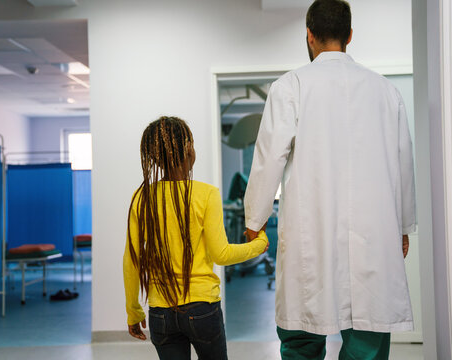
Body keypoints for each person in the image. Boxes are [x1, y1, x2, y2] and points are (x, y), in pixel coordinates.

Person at [243, 0, 416, 359]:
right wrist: (402, 225)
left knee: (302, 335)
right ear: (350, 35)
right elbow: (403, 164)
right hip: (373, 236)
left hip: (312, 236)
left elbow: (268, 158)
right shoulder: (386, 91)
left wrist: (254, 220)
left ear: (309, 35)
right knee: (367, 338)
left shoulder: (290, 87)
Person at [123, 116, 268, 360]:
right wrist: (259, 244)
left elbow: (132, 261)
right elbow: (221, 255)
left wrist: (133, 312)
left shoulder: (142, 197)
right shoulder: (206, 194)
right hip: (202, 309)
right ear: (189, 149)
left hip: (160, 312)